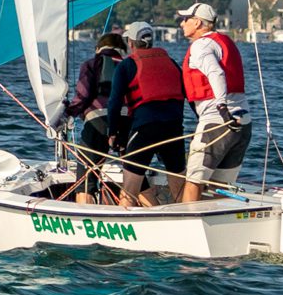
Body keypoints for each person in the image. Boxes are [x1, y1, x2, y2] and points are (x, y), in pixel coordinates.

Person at [176, 1, 250, 203]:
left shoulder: (201, 46)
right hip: (243, 121)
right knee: (221, 186)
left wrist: (221, 107)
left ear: (198, 23)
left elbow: (216, 73)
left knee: (193, 181)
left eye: (186, 19)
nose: (182, 24)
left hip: (218, 120)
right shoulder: (224, 41)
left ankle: (187, 227)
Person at [53, 32, 134, 202]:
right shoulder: (130, 66)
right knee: (135, 175)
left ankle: (86, 218)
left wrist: (66, 114)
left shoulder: (92, 64)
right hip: (127, 122)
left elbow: (83, 95)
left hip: (98, 121)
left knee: (86, 178)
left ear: (98, 48)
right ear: (122, 50)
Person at [117, 21, 187, 206]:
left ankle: (124, 228)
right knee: (180, 189)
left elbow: (114, 102)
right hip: (173, 129)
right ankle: (186, 224)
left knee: (129, 192)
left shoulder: (126, 65)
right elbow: (186, 94)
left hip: (145, 129)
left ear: (131, 43)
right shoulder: (171, 62)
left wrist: (112, 132)